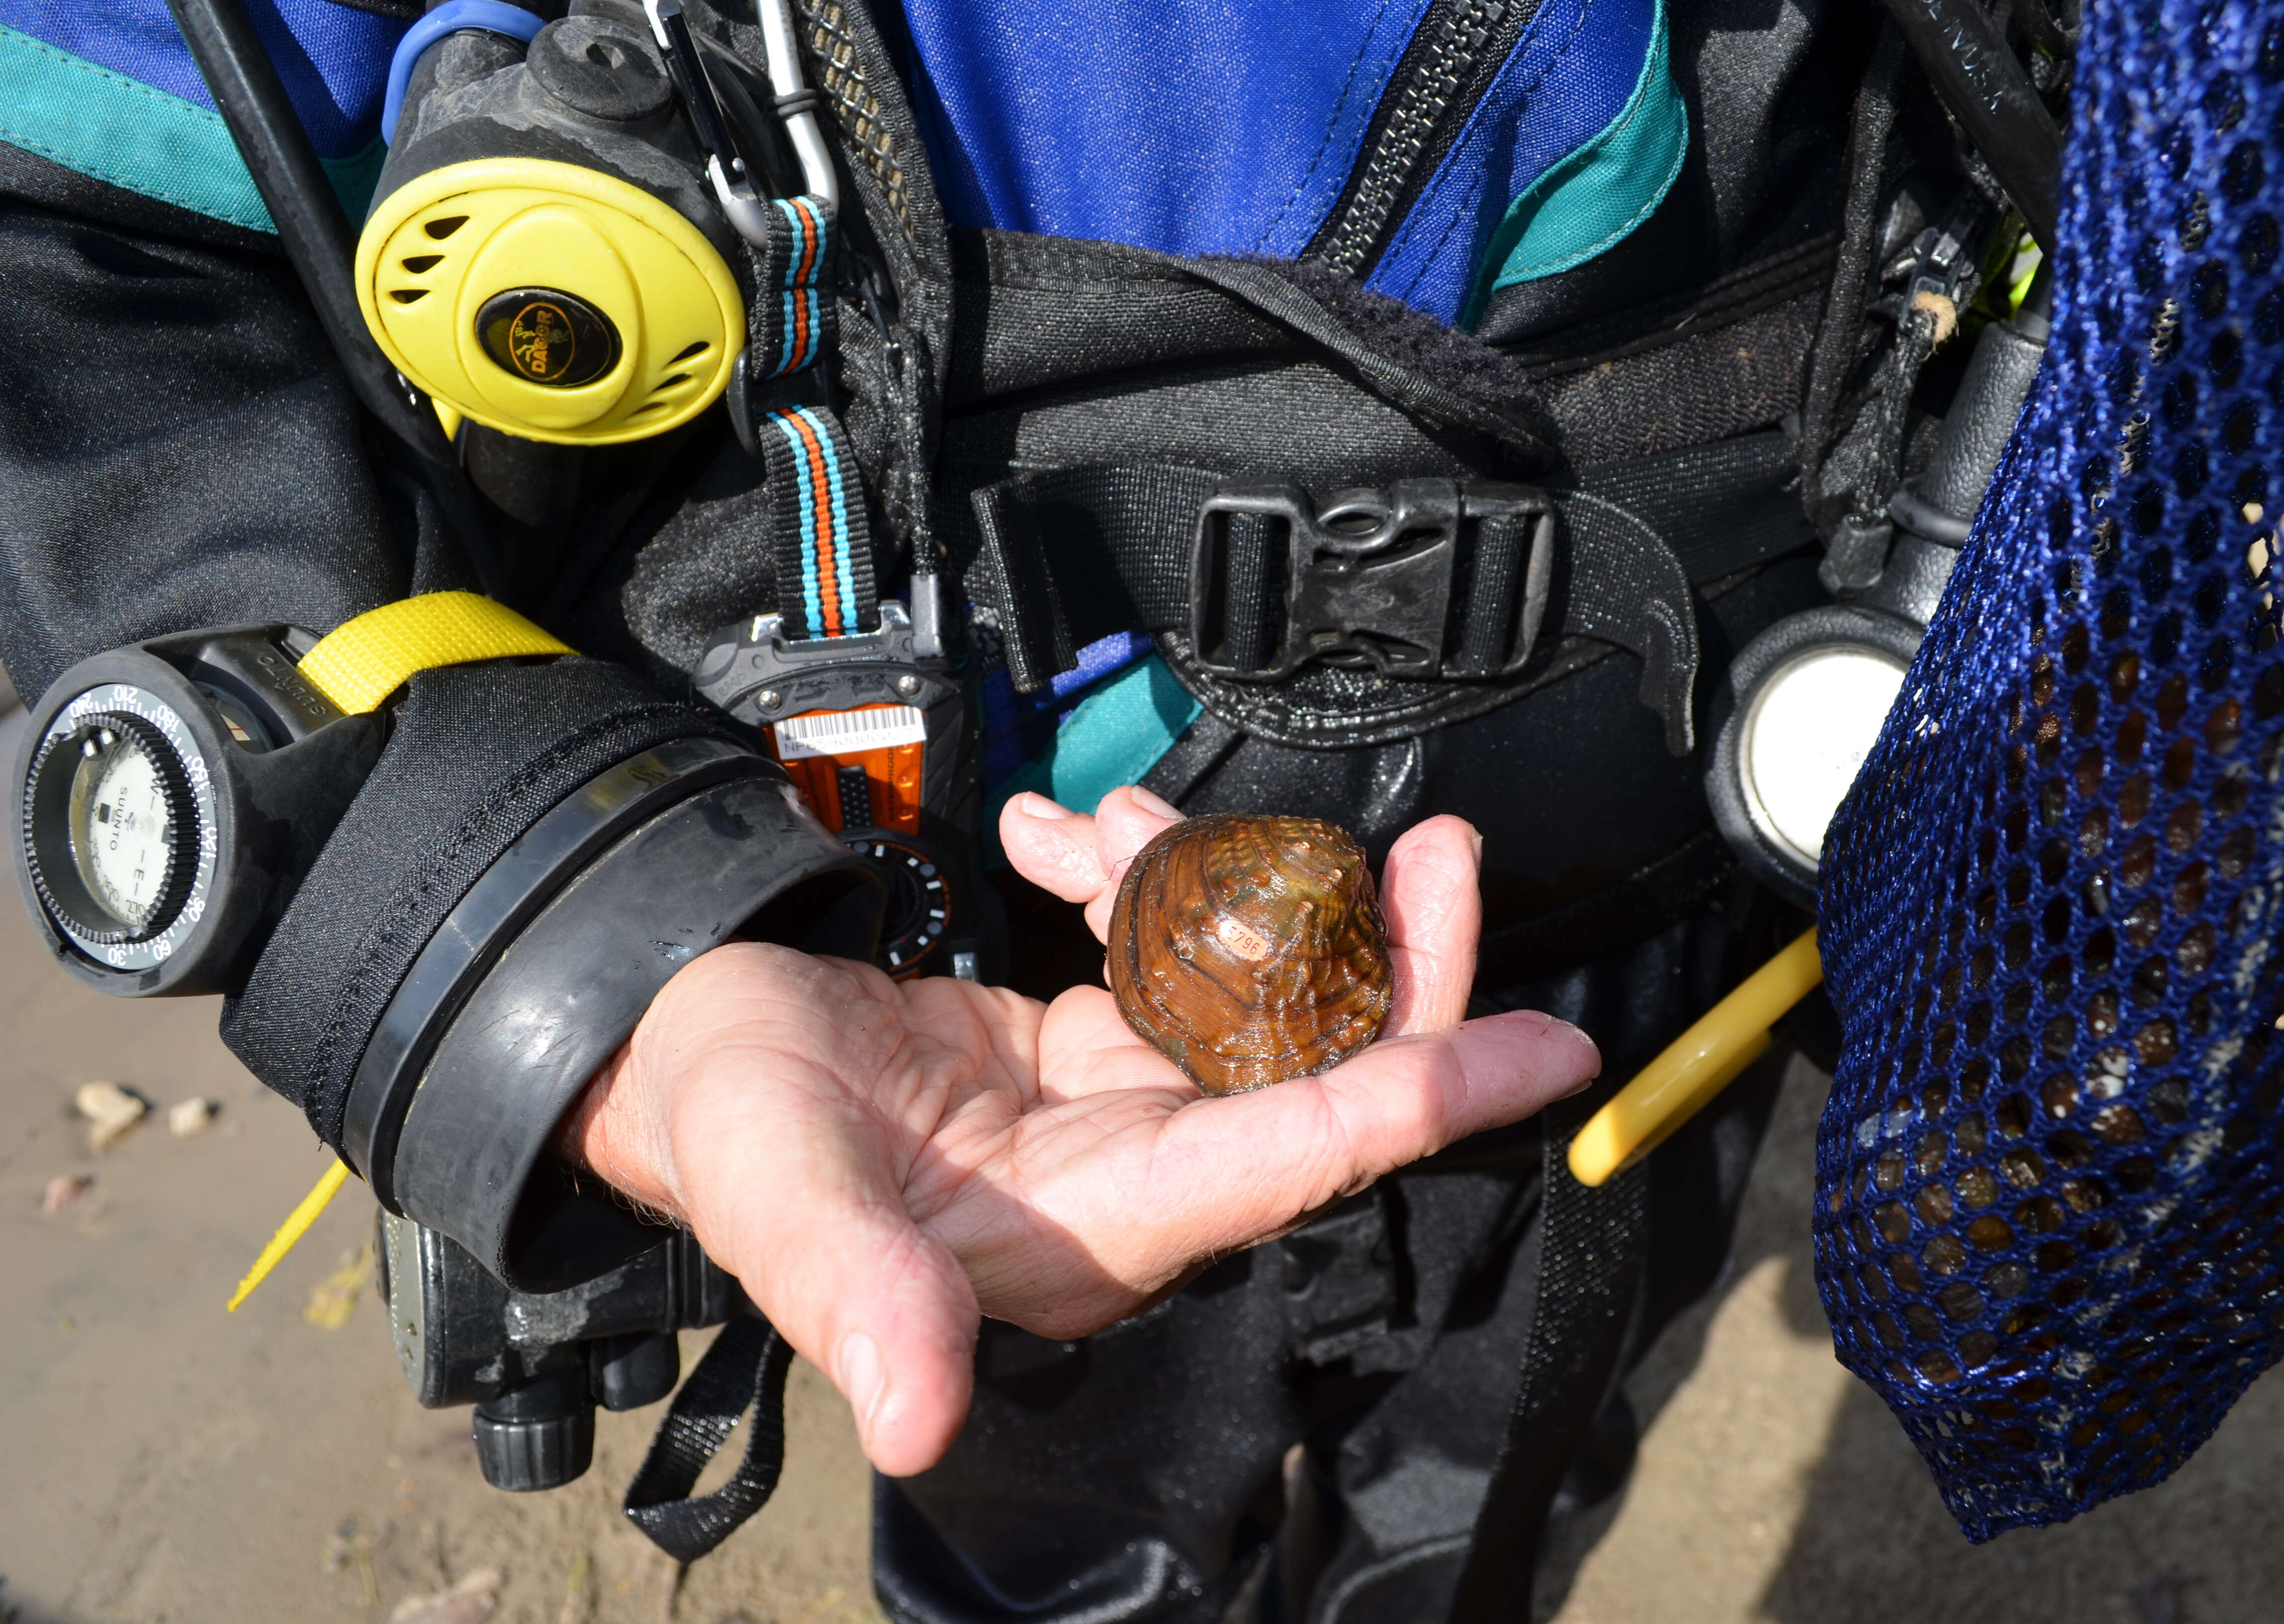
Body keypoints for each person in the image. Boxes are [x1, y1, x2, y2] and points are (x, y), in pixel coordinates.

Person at [0, 0, 1990, 1617]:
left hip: (1651, 890)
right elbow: (79, 274)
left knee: (1491, 1489)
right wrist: (554, 939)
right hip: (955, 1011)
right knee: (1055, 1550)